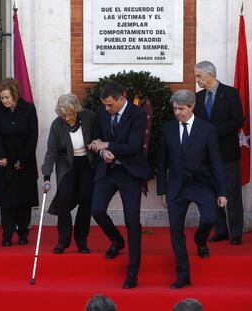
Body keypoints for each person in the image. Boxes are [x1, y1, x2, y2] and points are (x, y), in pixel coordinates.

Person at [157, 90, 227, 289]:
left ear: (192, 107)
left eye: (181, 109)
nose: (177, 112)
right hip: (177, 186)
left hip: (201, 183)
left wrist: (221, 192)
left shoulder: (207, 129)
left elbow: (216, 162)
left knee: (209, 219)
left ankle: (200, 240)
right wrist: (162, 190)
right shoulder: (167, 129)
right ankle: (183, 275)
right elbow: (162, 162)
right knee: (175, 232)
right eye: (175, 109)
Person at [89, 80, 152, 289]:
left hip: (129, 171)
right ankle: (117, 240)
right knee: (97, 209)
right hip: (107, 170)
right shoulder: (102, 111)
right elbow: (96, 139)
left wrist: (108, 145)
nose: (107, 109)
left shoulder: (137, 114)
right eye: (105, 105)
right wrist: (102, 150)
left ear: (121, 98)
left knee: (132, 220)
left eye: (110, 105)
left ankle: (133, 271)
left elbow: (134, 147)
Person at [194, 61, 245, 245]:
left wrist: (214, 131)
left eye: (199, 76)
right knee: (213, 192)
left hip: (227, 153)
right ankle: (221, 230)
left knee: (231, 193)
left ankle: (236, 231)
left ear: (210, 75)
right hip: (206, 156)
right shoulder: (197, 97)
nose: (197, 79)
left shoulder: (230, 93)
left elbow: (238, 120)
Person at [42, 93, 96, 254]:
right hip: (67, 164)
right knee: (63, 199)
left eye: (70, 114)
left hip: (87, 164)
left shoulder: (89, 117)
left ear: (77, 110)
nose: (67, 118)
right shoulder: (57, 125)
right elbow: (51, 151)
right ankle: (63, 240)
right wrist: (47, 175)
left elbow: (99, 136)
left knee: (86, 200)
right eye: (64, 115)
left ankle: (81, 240)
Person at [0, 78, 39, 246]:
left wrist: (23, 159)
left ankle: (23, 233)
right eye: (2, 98)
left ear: (15, 94)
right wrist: (0, 156)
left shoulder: (28, 108)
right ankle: (7, 235)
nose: (4, 101)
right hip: (5, 163)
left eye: (7, 97)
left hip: (24, 161)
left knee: (24, 200)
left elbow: (33, 137)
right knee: (7, 201)